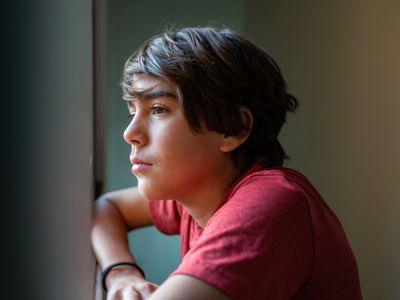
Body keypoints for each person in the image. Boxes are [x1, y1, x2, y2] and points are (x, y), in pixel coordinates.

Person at [91, 27, 363, 300]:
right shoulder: (199, 192)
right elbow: (107, 208)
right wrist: (121, 272)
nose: (130, 134)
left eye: (159, 110)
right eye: (132, 113)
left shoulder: (270, 205)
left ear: (234, 128)